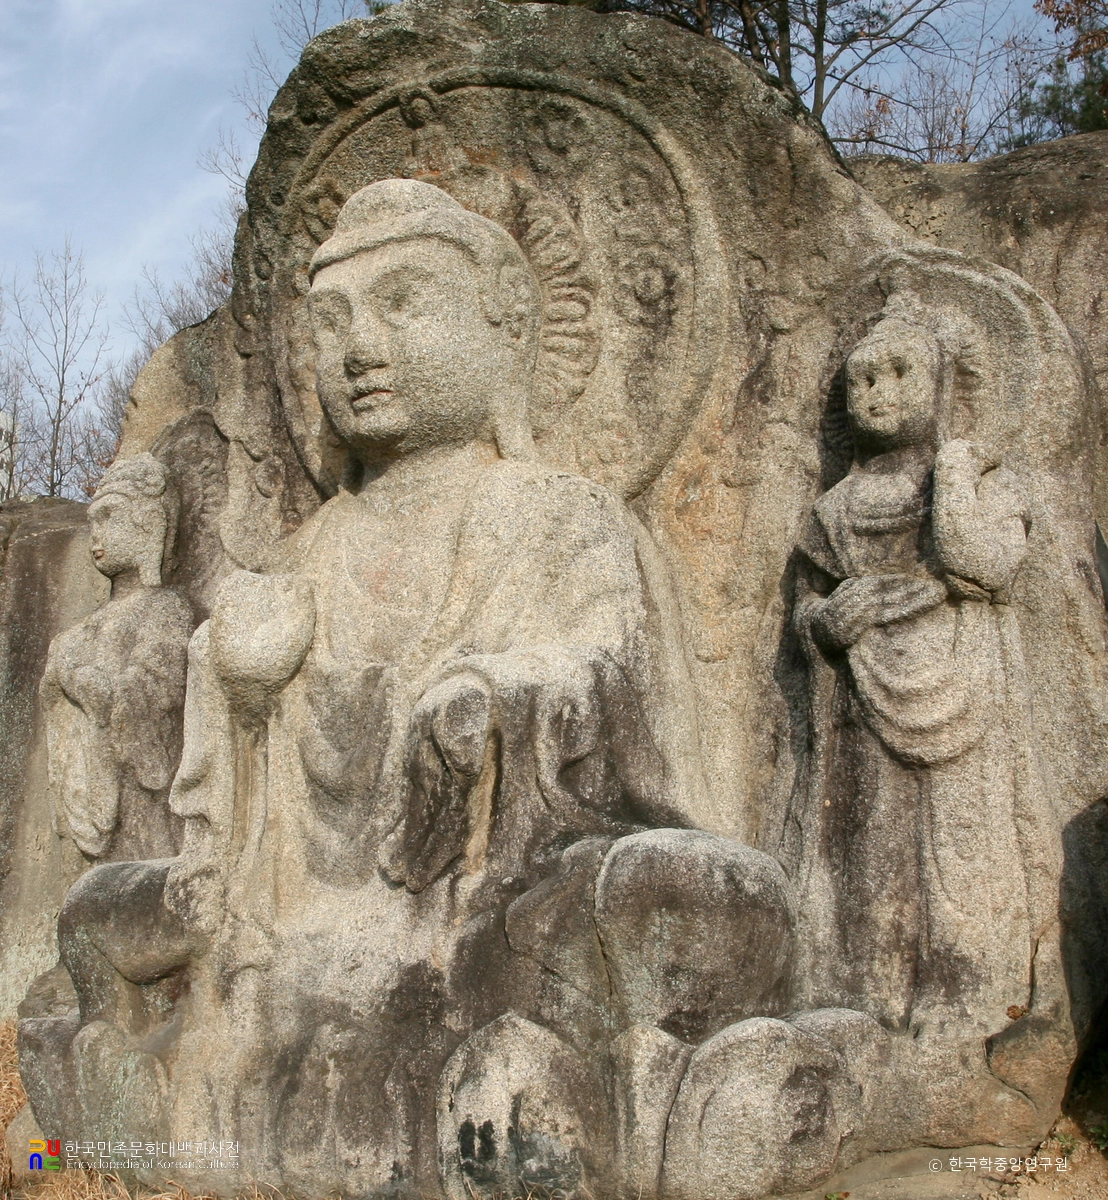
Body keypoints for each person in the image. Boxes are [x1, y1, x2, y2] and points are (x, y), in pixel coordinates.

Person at [24, 180, 712, 1192]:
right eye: (333, 321)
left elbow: (605, 671)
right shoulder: (313, 549)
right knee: (97, 913)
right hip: (298, 912)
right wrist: (239, 682)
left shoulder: (560, 516)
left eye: (403, 304)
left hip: (486, 894)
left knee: (642, 902)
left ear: (503, 332)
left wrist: (493, 695)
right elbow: (234, 761)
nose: (359, 350)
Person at [790, 316, 1053, 1039]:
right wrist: (826, 622)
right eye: (863, 380)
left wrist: (958, 473)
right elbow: (805, 605)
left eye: (900, 373)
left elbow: (988, 566)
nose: (878, 393)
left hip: (961, 685)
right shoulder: (835, 509)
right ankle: (859, 996)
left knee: (960, 848)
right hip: (861, 700)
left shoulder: (985, 484)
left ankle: (974, 996)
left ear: (942, 384)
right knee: (869, 849)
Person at [41, 453, 191, 863]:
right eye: (92, 522)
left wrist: (88, 684)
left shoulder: (165, 608)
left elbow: (155, 692)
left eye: (110, 518)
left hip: (141, 796)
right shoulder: (82, 629)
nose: (97, 535)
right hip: (87, 788)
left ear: (149, 525)